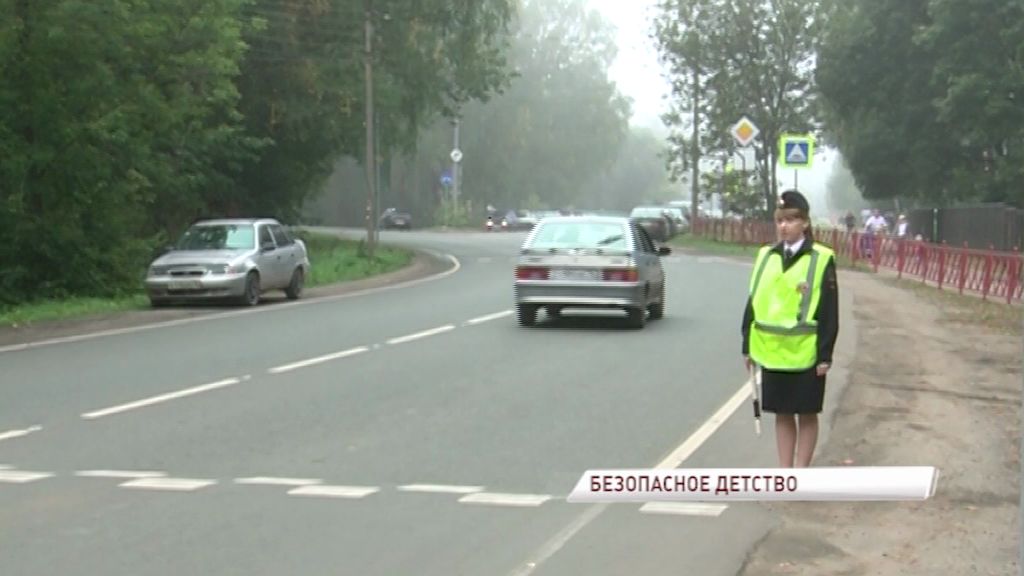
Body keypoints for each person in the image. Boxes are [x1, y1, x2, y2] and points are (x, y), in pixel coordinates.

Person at [741, 190, 840, 468]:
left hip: (806, 353)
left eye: (791, 220)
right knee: (783, 414)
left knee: (806, 414)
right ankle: (785, 474)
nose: (784, 226)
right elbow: (753, 301)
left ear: (805, 223)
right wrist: (747, 345)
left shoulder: (821, 258)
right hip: (772, 352)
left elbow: (830, 310)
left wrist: (825, 354)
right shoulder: (766, 255)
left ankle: (801, 473)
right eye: (780, 220)